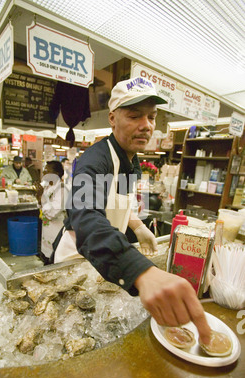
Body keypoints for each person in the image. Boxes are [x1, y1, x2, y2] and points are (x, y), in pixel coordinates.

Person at [54, 76, 211, 344]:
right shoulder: (95, 159)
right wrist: (140, 271)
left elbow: (119, 201)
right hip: (78, 258)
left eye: (151, 117)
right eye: (135, 116)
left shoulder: (130, 159)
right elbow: (86, 215)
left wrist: (137, 226)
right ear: (112, 118)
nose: (146, 126)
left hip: (106, 256)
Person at [35, 161, 69, 264]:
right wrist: (39, 199)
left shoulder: (62, 190)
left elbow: (52, 213)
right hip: (47, 232)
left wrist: (41, 198)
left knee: (54, 261)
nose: (44, 174)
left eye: (47, 172)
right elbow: (41, 207)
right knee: (46, 258)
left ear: (57, 174)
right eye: (44, 171)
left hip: (57, 232)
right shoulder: (48, 187)